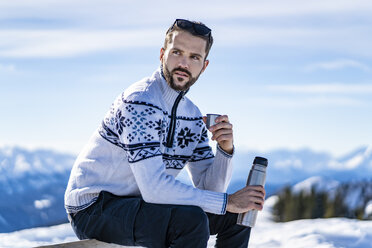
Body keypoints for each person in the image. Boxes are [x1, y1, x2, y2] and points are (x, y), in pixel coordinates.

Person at [64, 19, 265, 248]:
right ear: (162, 54)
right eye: (177, 52)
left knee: (237, 217)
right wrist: (228, 201)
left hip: (140, 205)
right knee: (191, 222)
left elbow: (210, 191)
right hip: (94, 207)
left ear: (204, 66)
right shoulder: (139, 102)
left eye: (194, 57)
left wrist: (224, 150)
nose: (183, 63)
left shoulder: (191, 115)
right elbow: (154, 189)